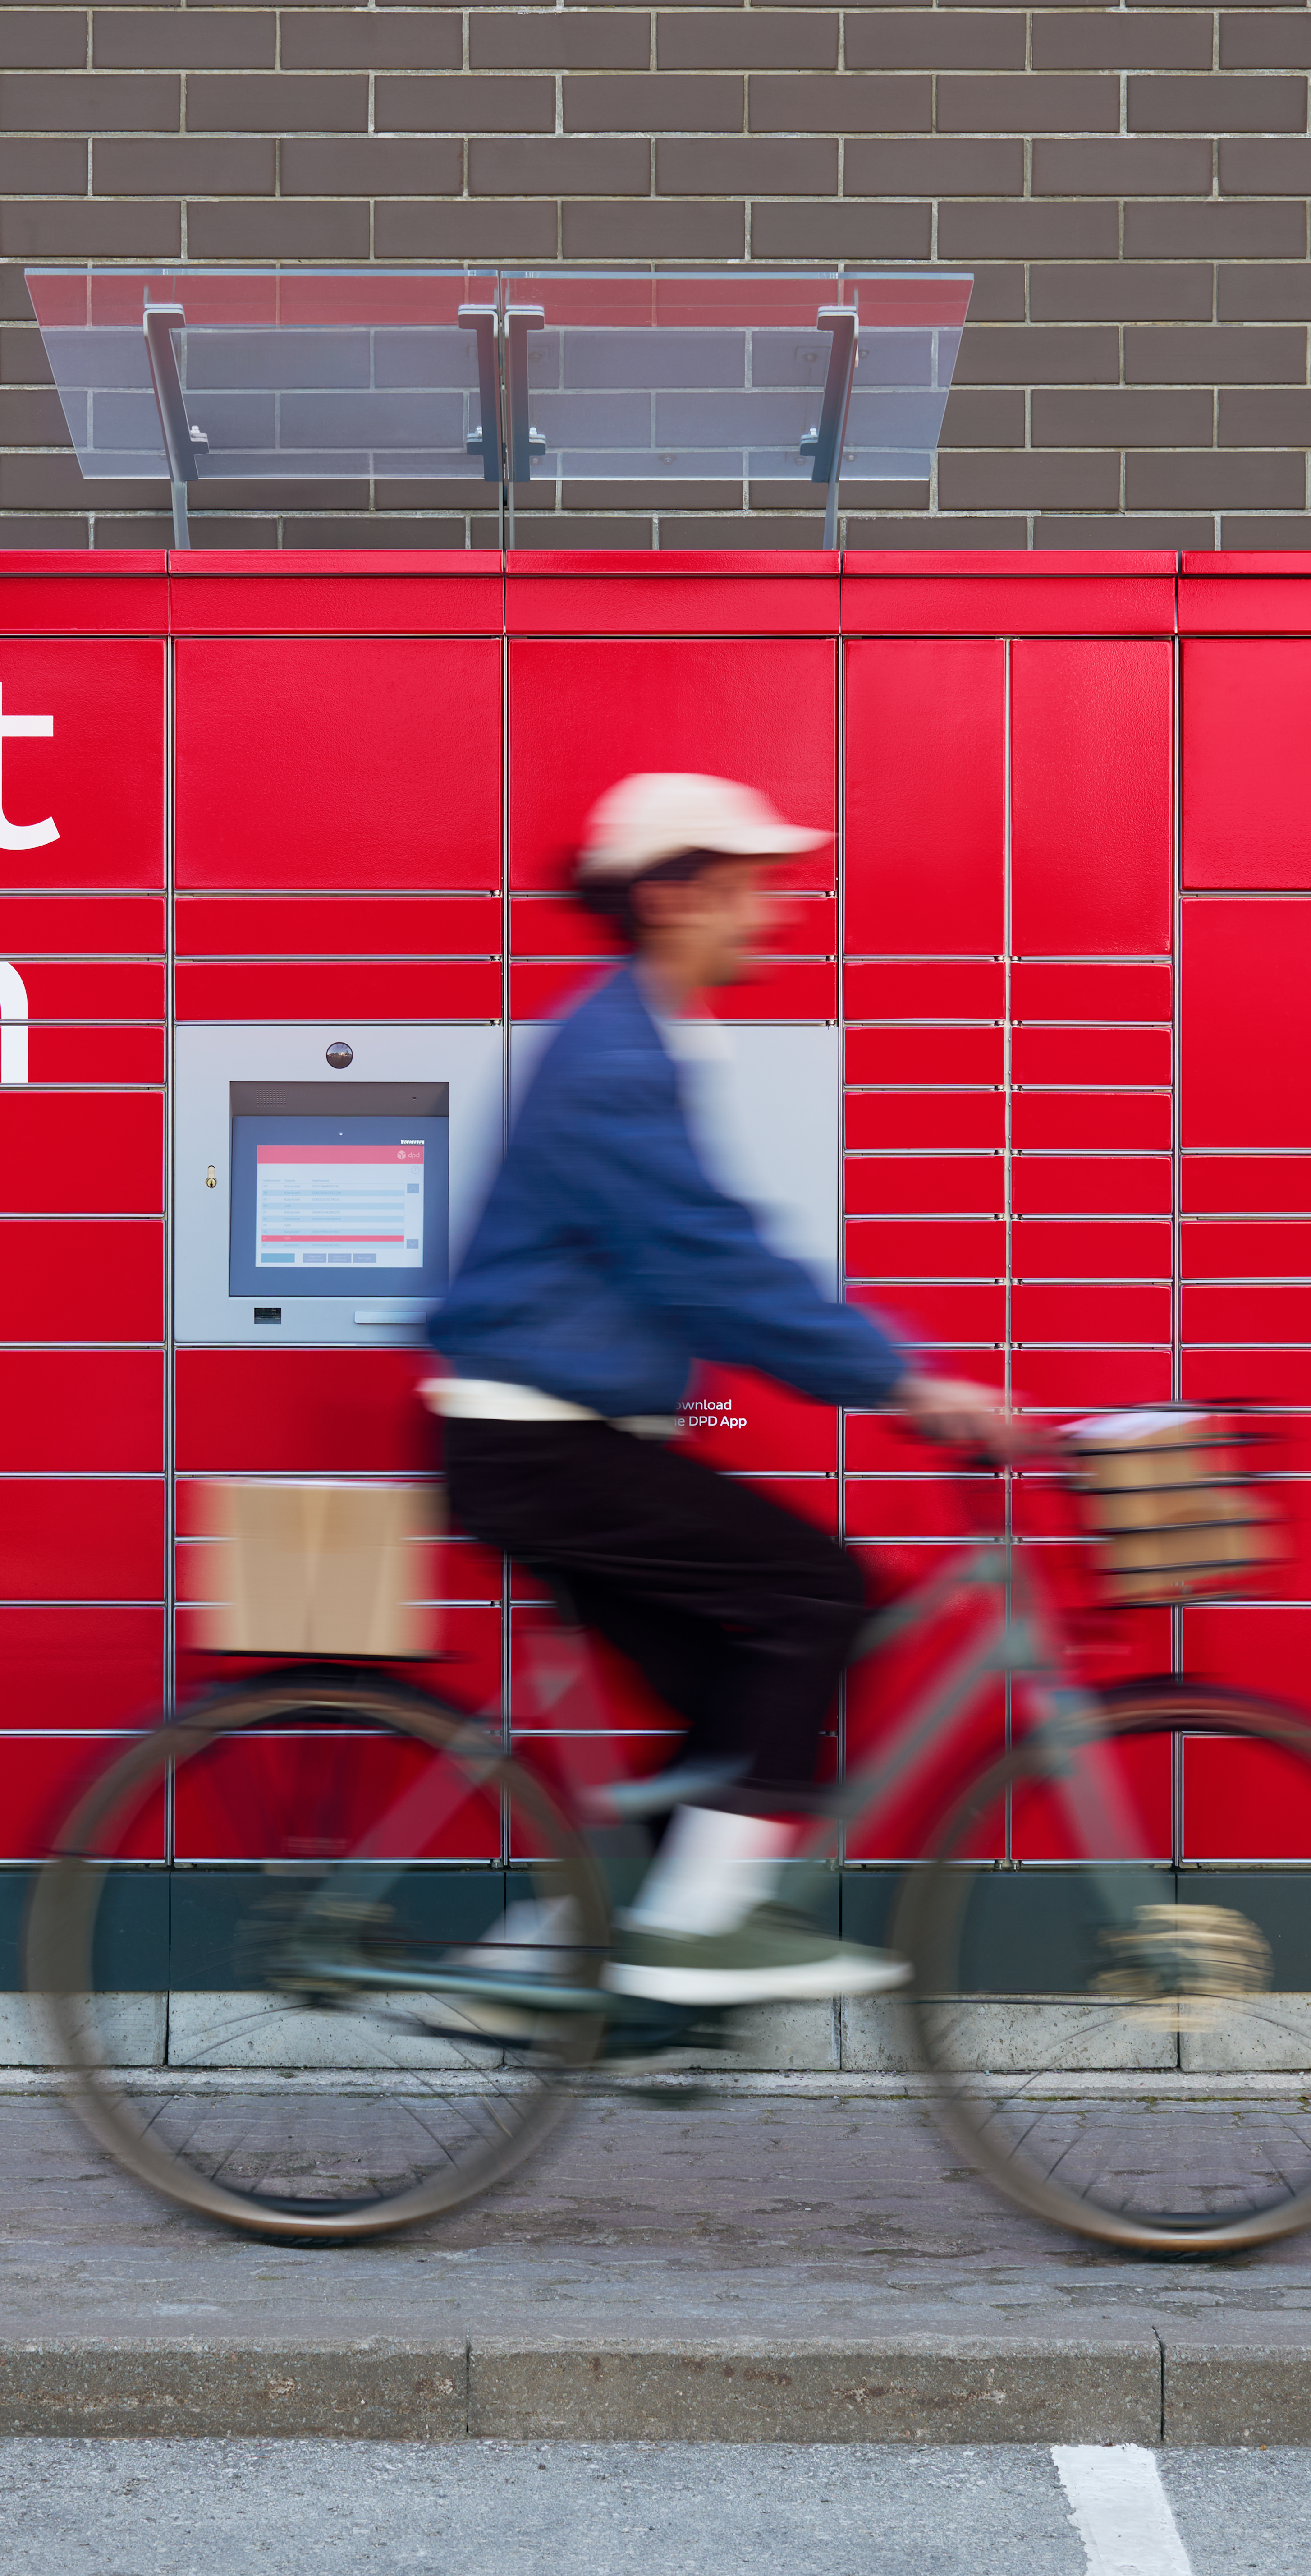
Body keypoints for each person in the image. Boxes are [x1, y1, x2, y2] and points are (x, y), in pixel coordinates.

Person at [425, 773, 1023, 2007]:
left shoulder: (636, 1034)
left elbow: (709, 1256)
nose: (773, 911)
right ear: (668, 894)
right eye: (747, 885)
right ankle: (685, 1938)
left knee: (731, 1706)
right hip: (538, 1448)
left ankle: (542, 1956)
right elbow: (713, 1264)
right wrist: (905, 1383)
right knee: (817, 1591)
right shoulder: (614, 1061)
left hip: (552, 1444)